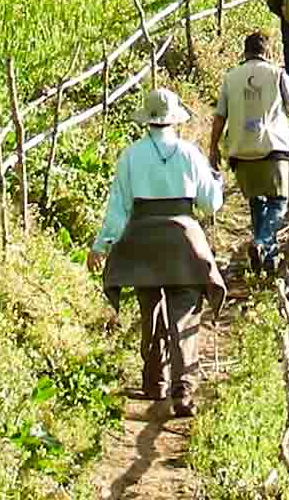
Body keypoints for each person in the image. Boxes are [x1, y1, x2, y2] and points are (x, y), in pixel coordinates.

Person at [89, 87, 227, 416]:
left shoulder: (130, 156)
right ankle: (184, 390)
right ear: (175, 119)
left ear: (146, 120)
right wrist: (215, 184)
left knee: (150, 310)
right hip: (183, 242)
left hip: (142, 242)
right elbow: (210, 204)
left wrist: (100, 245)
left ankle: (155, 381)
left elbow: (118, 211)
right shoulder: (190, 154)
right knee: (184, 314)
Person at [211, 32, 289, 272]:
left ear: (245, 52)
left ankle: (267, 259)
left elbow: (220, 116)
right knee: (279, 201)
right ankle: (262, 241)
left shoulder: (230, 77)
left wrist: (213, 148)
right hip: (272, 148)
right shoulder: (277, 73)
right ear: (268, 51)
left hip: (240, 150)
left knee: (257, 202)